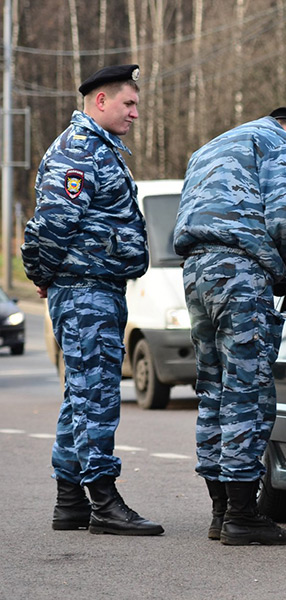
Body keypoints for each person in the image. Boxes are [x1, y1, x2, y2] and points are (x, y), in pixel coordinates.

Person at [21, 64, 163, 535]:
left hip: (95, 289)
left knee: (79, 396)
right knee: (96, 397)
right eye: (128, 103)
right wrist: (43, 275)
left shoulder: (100, 149)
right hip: (85, 292)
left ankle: (70, 501)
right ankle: (103, 500)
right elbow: (51, 225)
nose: (135, 113)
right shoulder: (79, 150)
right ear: (100, 101)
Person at [173, 107, 286, 545]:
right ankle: (244, 514)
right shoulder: (284, 141)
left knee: (213, 388)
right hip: (241, 271)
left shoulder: (208, 150)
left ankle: (221, 510)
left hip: (196, 271)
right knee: (248, 389)